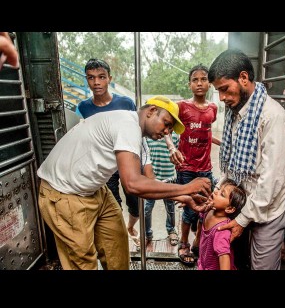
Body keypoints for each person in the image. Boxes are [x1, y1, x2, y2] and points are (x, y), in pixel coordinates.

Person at [37, 95, 212, 270]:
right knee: (82, 262)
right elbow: (133, 184)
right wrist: (188, 187)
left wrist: (184, 195)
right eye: (166, 124)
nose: (167, 132)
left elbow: (147, 182)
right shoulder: (128, 125)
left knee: (117, 246)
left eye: (170, 129)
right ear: (151, 111)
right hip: (65, 193)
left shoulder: (136, 131)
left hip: (95, 189)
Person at [208, 49, 285, 270]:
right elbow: (232, 164)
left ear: (243, 78)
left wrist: (243, 219)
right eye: (218, 91)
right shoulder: (235, 112)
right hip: (239, 206)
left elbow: (271, 180)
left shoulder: (272, 116)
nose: (222, 97)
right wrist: (217, 190)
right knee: (240, 263)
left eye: (224, 89)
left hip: (265, 213)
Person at [76, 58, 146, 250]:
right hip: (104, 167)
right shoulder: (83, 108)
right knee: (112, 205)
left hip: (128, 162)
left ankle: (131, 227)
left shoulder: (125, 103)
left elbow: (137, 132)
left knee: (135, 201)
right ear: (87, 80)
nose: (96, 82)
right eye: (91, 78)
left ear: (109, 79)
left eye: (101, 77)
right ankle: (121, 236)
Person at [165, 64, 221, 267]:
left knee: (204, 208)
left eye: (203, 79)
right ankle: (183, 243)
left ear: (209, 83)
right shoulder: (181, 107)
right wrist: (172, 147)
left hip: (205, 167)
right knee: (189, 209)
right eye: (195, 80)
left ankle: (198, 242)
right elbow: (166, 129)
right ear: (189, 84)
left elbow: (205, 132)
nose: (199, 83)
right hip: (186, 167)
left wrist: (221, 143)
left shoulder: (213, 109)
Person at [197, 179, 246, 270]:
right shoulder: (209, 210)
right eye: (218, 189)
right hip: (204, 262)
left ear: (230, 208)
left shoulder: (221, 230)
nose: (215, 192)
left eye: (222, 194)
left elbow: (224, 257)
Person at [144, 132, 180, 245]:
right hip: (152, 181)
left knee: (170, 208)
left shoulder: (175, 136)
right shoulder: (149, 137)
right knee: (147, 210)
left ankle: (171, 230)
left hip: (169, 179)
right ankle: (147, 233)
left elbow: (177, 156)